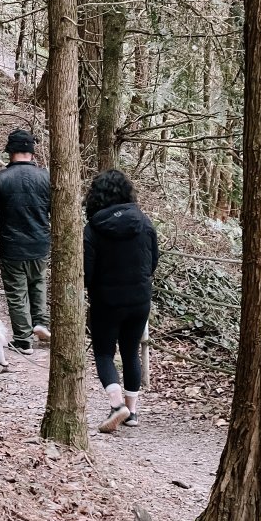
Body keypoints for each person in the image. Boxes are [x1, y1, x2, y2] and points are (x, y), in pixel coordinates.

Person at [83, 169, 159, 433]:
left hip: (107, 300)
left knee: (104, 352)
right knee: (130, 352)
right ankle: (133, 412)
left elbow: (86, 270)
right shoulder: (144, 221)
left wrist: (93, 288)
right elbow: (153, 261)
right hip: (139, 299)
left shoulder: (93, 228)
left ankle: (117, 406)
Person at [0, 129, 51, 355]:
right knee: (38, 283)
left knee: (17, 293)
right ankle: (40, 322)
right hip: (40, 243)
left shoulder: (1, 179)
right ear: (31, 151)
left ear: (10, 151)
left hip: (12, 246)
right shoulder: (46, 177)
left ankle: (23, 340)